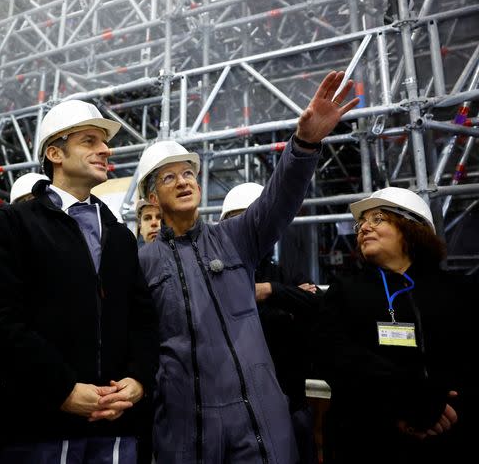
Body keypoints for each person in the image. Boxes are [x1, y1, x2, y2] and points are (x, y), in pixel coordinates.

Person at [136, 70, 358, 463]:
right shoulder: (143, 262)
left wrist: (304, 145)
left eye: (189, 173)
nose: (184, 181)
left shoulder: (235, 238)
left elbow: (278, 199)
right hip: (186, 428)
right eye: (169, 177)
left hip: (258, 421)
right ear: (152, 197)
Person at [0, 99, 159, 463]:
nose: (105, 149)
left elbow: (143, 318)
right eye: (89, 141)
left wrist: (137, 381)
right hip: (39, 427)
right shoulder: (14, 224)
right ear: (55, 153)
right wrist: (61, 389)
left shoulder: (119, 236)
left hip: (116, 427)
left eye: (103, 142)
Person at [313, 187, 475, 463]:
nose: (363, 227)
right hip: (364, 439)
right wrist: (409, 401)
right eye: (361, 223)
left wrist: (443, 410)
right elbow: (334, 356)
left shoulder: (457, 290)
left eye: (378, 219)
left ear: (411, 227)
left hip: (446, 435)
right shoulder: (345, 289)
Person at [220, 182, 321, 464]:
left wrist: (268, 291)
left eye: (254, 218)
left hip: (291, 401)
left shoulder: (283, 270)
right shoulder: (217, 273)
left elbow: (316, 307)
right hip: (235, 409)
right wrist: (288, 303)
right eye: (238, 220)